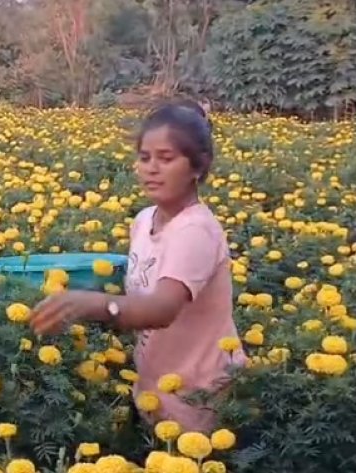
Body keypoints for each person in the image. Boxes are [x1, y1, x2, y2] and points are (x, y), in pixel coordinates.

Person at [29, 103, 245, 433]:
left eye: (166, 158)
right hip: (155, 389)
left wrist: (95, 304)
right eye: (145, 158)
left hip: (198, 399)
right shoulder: (145, 220)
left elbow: (161, 309)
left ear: (197, 167)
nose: (151, 169)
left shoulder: (195, 231)